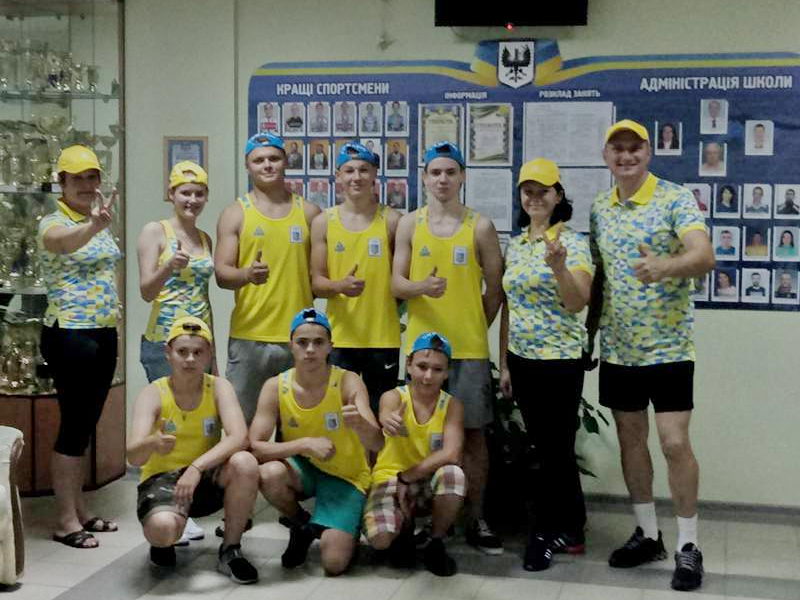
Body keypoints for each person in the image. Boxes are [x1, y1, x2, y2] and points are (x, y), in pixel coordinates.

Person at [587, 120, 715, 592]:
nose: (626, 156)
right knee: (631, 442)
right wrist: (588, 336)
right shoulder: (600, 207)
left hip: (669, 347)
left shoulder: (675, 199)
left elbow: (704, 256)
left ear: (648, 152)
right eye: (617, 149)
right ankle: (647, 534)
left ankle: (689, 545)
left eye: (634, 148)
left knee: (674, 444)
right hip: (619, 348)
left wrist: (664, 266)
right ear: (606, 156)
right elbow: (599, 278)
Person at [392, 141, 504, 555]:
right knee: (419, 435)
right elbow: (395, 283)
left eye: (450, 172)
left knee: (472, 437)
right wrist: (421, 287)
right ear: (424, 177)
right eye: (435, 172)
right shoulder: (409, 224)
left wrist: (474, 326)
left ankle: (476, 518)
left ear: (462, 177)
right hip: (421, 351)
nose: (442, 179)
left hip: (469, 350)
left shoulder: (480, 226)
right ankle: (423, 518)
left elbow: (496, 290)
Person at [499, 158, 593, 571]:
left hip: (559, 362)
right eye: (528, 191)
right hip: (523, 361)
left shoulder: (572, 242)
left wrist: (559, 268)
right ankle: (572, 526)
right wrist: (504, 363)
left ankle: (548, 530)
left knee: (555, 448)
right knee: (546, 447)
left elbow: (576, 302)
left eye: (544, 191)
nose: (535, 198)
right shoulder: (517, 243)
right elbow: (510, 306)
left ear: (558, 196)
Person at [249, 308, 383, 575]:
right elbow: (255, 447)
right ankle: (301, 524)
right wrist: (304, 444)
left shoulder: (348, 382)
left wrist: (361, 424)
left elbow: (378, 443)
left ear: (330, 346)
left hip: (346, 476)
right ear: (291, 345)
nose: (310, 350)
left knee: (334, 564)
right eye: (302, 342)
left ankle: (346, 525)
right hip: (304, 469)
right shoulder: (275, 386)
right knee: (268, 473)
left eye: (318, 342)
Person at [126, 317, 259, 582]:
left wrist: (197, 468)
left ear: (209, 355)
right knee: (163, 531)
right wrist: (151, 443)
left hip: (204, 476)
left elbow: (239, 437)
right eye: (182, 352)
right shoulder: (153, 393)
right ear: (168, 353)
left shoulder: (219, 387)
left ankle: (230, 549)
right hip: (164, 481)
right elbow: (134, 457)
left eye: (198, 352)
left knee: (245, 462)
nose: (190, 359)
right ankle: (164, 538)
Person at [38, 146, 121, 549]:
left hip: (103, 331)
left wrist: (97, 224)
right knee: (73, 427)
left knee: (85, 425)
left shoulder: (99, 219)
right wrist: (93, 225)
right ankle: (65, 520)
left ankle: (81, 509)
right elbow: (62, 244)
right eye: (77, 179)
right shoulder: (53, 222)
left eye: (92, 177)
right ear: (62, 183)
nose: (87, 185)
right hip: (70, 334)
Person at [215, 132, 321, 425]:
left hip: (300, 337)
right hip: (249, 337)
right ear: (247, 166)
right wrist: (246, 274)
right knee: (242, 427)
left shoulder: (310, 213)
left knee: (298, 428)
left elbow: (320, 276)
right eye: (258, 160)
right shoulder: (235, 214)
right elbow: (222, 274)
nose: (267, 165)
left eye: (274, 158)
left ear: (286, 162)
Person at [137, 161, 216, 545]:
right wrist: (169, 265)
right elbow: (146, 291)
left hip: (199, 344)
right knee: (168, 427)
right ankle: (165, 505)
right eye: (185, 192)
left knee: (195, 426)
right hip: (163, 343)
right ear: (171, 194)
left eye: (199, 193)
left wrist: (213, 350)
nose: (192, 199)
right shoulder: (155, 231)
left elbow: (205, 296)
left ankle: (187, 504)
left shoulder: (205, 237)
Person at [363, 332, 465, 577]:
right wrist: (389, 420)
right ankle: (403, 529)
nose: (428, 376)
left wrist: (407, 477)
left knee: (454, 475)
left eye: (437, 369)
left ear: (447, 373)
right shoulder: (393, 397)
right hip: (390, 478)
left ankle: (435, 541)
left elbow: (452, 452)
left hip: (423, 479)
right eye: (422, 366)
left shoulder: (452, 405)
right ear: (408, 365)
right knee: (380, 540)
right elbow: (386, 414)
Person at [310, 143, 401, 411]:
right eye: (349, 170)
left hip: (383, 338)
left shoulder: (393, 221)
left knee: (381, 414)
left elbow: (403, 280)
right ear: (338, 175)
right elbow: (316, 282)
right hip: (339, 338)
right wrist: (339, 285)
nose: (356, 177)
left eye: (363, 170)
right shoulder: (323, 222)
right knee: (338, 414)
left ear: (374, 174)